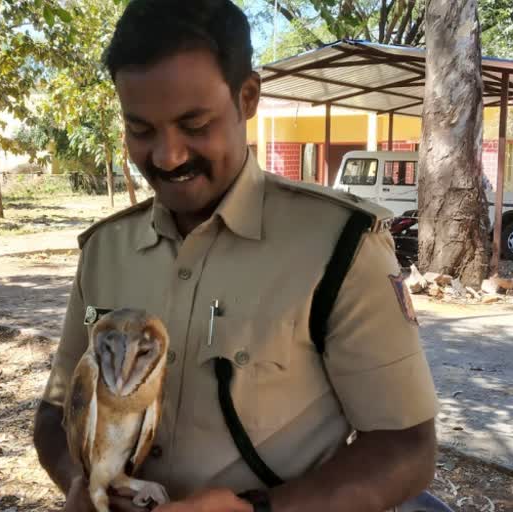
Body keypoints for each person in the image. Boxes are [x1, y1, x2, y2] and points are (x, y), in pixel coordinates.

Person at [33, 1, 440, 511]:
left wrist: (258, 510)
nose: (167, 155)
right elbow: (56, 411)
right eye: (141, 130)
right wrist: (82, 484)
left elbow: (405, 449)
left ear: (247, 98)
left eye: (194, 124)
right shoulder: (105, 251)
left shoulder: (340, 246)